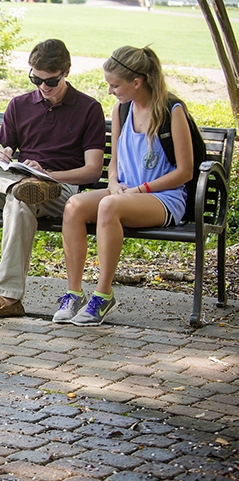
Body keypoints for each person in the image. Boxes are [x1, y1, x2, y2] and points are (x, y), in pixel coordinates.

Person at [0, 39, 106, 318]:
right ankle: (20, 187)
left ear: (66, 72)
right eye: (36, 78)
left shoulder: (88, 109)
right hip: (18, 180)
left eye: (50, 81)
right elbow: (2, 152)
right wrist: (2, 156)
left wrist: (47, 175)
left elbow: (92, 171)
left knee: (19, 203)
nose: (43, 86)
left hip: (59, 188)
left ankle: (7, 298)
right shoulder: (19, 105)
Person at [53, 46, 194, 326]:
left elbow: (185, 171)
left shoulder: (171, 110)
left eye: (114, 85)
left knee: (108, 205)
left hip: (162, 197)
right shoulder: (122, 108)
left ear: (137, 82)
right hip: (124, 192)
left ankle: (103, 295)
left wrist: (139, 190)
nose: (110, 91)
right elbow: (114, 161)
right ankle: (73, 294)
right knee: (74, 206)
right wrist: (114, 181)